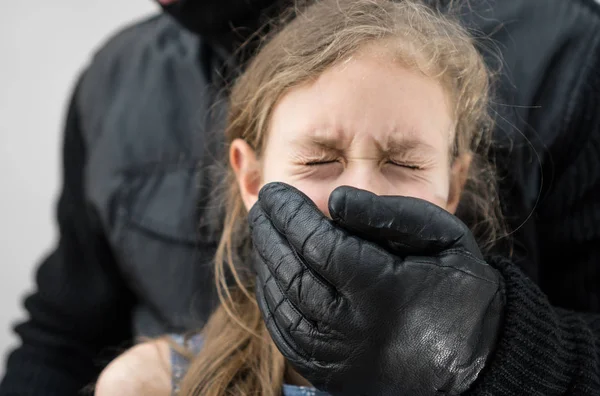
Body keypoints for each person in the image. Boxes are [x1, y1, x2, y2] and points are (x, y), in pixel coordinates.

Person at [2, 0, 600, 394]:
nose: (358, 192)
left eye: (404, 162)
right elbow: (61, 336)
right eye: (317, 159)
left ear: (457, 179)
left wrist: (492, 345)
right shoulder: (114, 80)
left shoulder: (568, 56)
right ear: (248, 174)